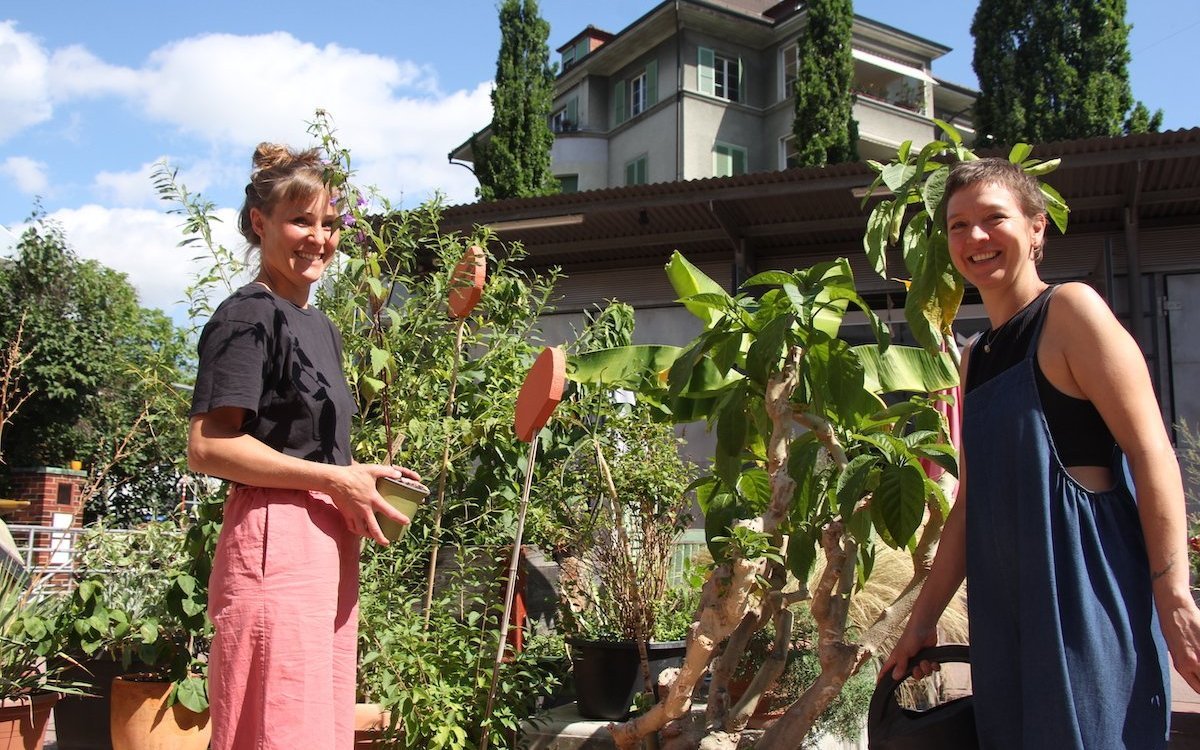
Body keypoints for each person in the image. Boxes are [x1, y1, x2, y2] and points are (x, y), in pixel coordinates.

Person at [881, 157, 1200, 748]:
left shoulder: (1072, 311)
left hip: (1084, 588)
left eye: (992, 218)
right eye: (957, 225)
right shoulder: (975, 357)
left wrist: (1173, 594)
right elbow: (969, 507)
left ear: (1036, 228)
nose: (974, 237)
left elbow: (1152, 450)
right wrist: (920, 623)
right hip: (1007, 613)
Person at [187, 142, 419, 750]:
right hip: (274, 539)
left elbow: (297, 443)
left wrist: (354, 471)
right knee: (274, 722)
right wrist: (333, 480)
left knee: (314, 719)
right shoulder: (247, 317)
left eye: (329, 223)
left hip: (324, 544)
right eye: (300, 221)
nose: (318, 238)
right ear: (261, 223)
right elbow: (209, 447)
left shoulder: (319, 325)